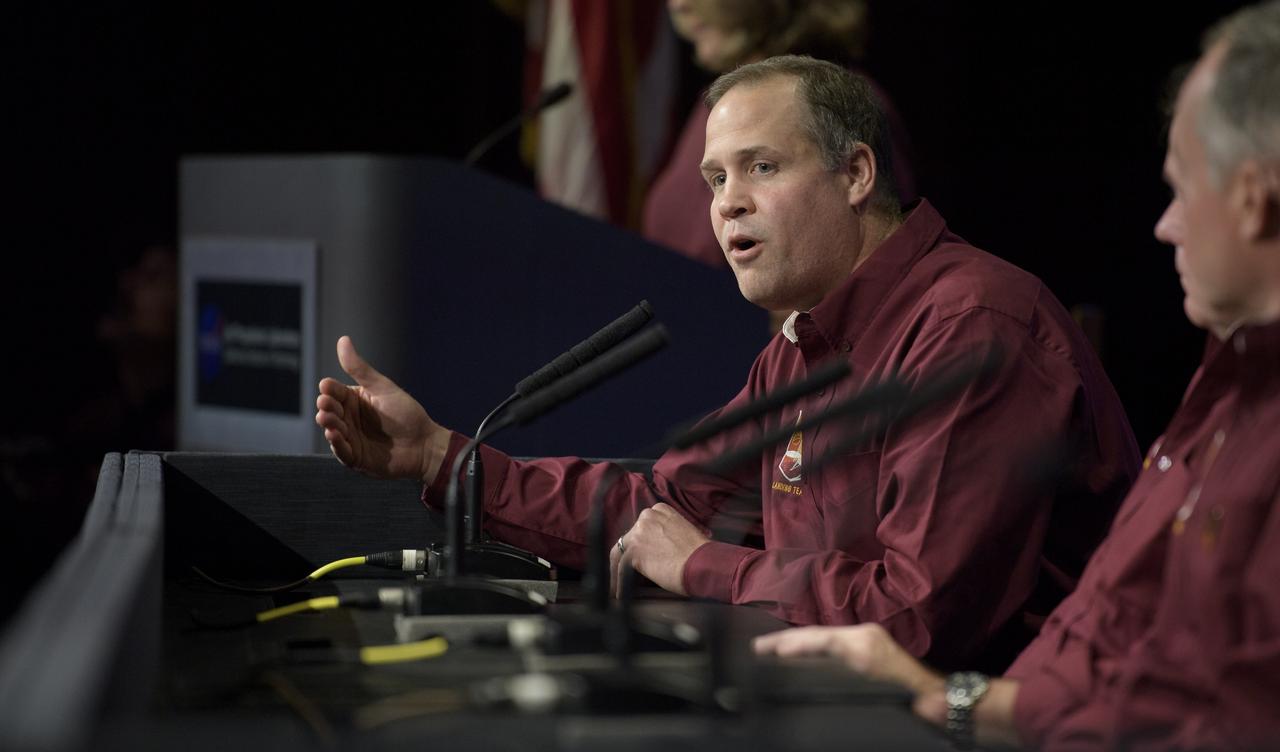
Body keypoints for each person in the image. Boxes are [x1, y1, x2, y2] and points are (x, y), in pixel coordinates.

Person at [316, 55, 1138, 673]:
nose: (725, 203)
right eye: (716, 177)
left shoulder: (971, 327)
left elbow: (915, 616)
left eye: (761, 168)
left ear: (855, 173)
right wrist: (440, 457)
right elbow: (658, 506)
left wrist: (704, 565)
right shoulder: (806, 342)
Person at [754, 3, 1280, 748]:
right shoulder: (1226, 384)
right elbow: (1104, 649)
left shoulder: (977, 324)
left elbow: (1216, 721)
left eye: (1183, 188)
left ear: (1254, 201)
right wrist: (952, 703)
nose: (1164, 225)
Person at [644, 0, 916, 269]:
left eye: (762, 167)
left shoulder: (842, 105)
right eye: (718, 179)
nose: (678, 5)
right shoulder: (718, 108)